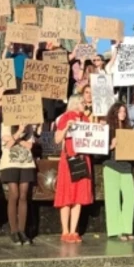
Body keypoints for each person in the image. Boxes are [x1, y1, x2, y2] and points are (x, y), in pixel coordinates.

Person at [54, 95, 93, 243]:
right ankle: (64, 231)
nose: (85, 104)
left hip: (83, 158)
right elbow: (57, 139)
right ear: (75, 104)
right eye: (82, 102)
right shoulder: (65, 117)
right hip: (69, 158)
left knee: (79, 196)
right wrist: (66, 127)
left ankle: (73, 230)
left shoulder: (85, 119)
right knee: (67, 195)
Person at [103, 103, 134, 241]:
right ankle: (117, 230)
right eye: (120, 111)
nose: (122, 113)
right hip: (111, 165)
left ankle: (127, 228)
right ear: (114, 113)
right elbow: (98, 151)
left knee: (130, 197)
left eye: (124, 111)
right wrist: (111, 145)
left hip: (126, 166)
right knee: (113, 199)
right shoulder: (107, 129)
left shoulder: (129, 129)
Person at [0, 122, 37, 246]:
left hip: (26, 162)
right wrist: (18, 132)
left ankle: (22, 230)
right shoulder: (6, 124)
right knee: (13, 194)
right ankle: (13, 230)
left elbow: (30, 145)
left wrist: (18, 138)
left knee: (23, 195)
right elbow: (8, 144)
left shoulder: (29, 126)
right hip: (10, 162)